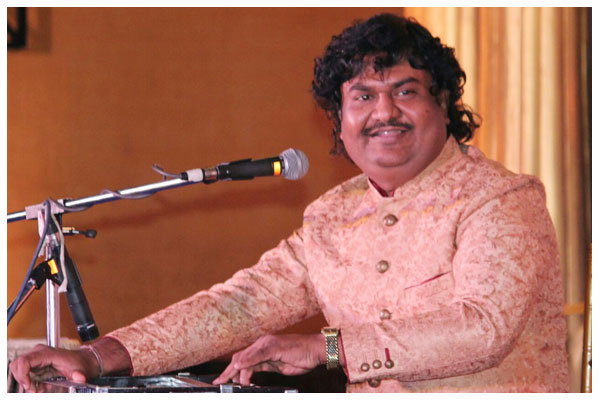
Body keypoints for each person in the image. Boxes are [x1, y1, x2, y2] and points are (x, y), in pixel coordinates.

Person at [9, 13, 569, 392]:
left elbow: (482, 328)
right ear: (339, 121)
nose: (384, 112)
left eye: (405, 91)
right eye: (363, 96)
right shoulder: (333, 216)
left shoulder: (501, 199)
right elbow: (240, 305)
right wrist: (97, 357)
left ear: (443, 104)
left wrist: (329, 349)